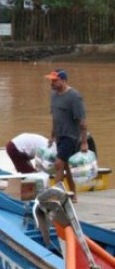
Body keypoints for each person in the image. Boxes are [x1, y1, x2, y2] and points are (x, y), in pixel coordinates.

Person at [47, 69, 88, 201]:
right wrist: (52, 135)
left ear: (64, 81)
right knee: (67, 167)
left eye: (55, 80)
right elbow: (55, 117)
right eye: (51, 80)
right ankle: (73, 194)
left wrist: (84, 142)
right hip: (59, 135)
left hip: (71, 136)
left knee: (59, 164)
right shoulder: (53, 95)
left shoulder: (74, 96)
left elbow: (82, 121)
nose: (52, 83)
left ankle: (54, 196)